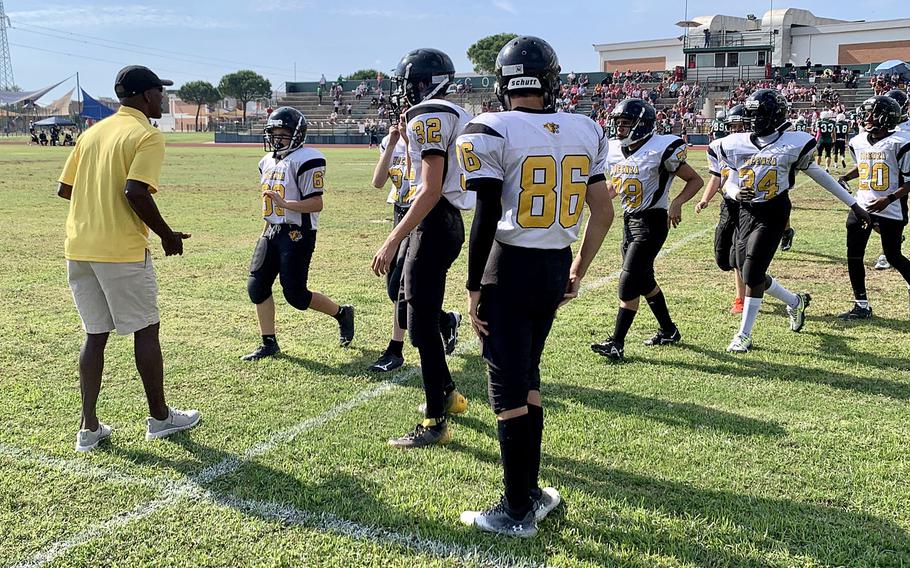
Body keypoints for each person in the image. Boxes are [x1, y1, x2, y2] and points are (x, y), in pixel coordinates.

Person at [456, 36, 614, 538]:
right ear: (551, 80)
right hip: (554, 264)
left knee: (506, 386)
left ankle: (516, 509)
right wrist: (579, 270)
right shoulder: (586, 128)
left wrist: (473, 283)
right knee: (528, 376)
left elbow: (484, 217)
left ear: (504, 83)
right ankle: (533, 491)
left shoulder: (489, 128)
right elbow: (603, 210)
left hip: (509, 264)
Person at [57, 65, 199, 453]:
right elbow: (135, 191)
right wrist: (167, 235)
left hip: (80, 247)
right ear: (144, 95)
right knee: (146, 329)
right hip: (119, 250)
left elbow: (64, 189)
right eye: (159, 90)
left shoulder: (92, 132)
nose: (163, 97)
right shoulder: (146, 134)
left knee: (95, 335)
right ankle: (159, 418)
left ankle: (88, 427)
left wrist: (97, 204)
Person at [372, 48, 475, 448]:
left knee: (420, 328)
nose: (403, 92)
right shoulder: (454, 112)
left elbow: (430, 187)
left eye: (407, 83)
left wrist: (393, 237)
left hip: (434, 221)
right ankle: (447, 393)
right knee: (418, 315)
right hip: (446, 221)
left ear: (423, 82)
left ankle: (436, 422)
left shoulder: (430, 113)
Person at [717, 89, 871, 353]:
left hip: (774, 211)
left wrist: (853, 204)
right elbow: (729, 180)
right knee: (748, 271)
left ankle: (744, 334)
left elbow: (820, 176)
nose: (754, 119)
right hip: (746, 211)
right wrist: (734, 192)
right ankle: (794, 300)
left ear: (775, 115)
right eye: (752, 114)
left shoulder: (794, 142)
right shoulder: (735, 143)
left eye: (760, 114)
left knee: (752, 272)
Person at [590, 98, 704, 362]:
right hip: (629, 222)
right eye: (618, 123)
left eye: (626, 123)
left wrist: (676, 202)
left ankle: (616, 342)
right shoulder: (616, 151)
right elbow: (614, 187)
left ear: (642, 125)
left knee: (628, 279)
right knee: (643, 281)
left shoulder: (661, 148)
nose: (619, 128)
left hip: (653, 221)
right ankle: (669, 330)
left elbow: (695, 180)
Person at [241, 107, 355, 361]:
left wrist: (285, 205)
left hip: (297, 233)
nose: (278, 137)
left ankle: (342, 313)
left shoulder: (308, 159)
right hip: (272, 230)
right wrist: (265, 232)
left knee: (295, 295)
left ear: (298, 134)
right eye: (274, 132)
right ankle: (268, 343)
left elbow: (316, 203)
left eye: (284, 132)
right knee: (257, 286)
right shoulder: (266, 161)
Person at [368, 110, 462, 372]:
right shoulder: (391, 141)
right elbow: (377, 182)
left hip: (419, 214)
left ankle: (395, 349)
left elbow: (417, 181)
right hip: (399, 212)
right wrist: (392, 140)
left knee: (402, 287)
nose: (401, 119)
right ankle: (444, 320)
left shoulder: (423, 139)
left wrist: (410, 143)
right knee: (395, 290)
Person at [837, 96, 910, 319]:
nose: (866, 118)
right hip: (862, 206)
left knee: (893, 255)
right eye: (865, 113)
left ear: (885, 117)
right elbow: (865, 166)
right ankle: (861, 304)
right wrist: (845, 176)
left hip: (890, 208)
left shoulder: (902, 142)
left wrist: (888, 199)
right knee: (854, 256)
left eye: (871, 114)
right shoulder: (858, 141)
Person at [696, 104, 749, 314]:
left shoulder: (756, 146)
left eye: (739, 126)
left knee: (738, 255)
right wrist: (704, 199)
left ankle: (741, 298)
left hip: (748, 205)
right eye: (732, 126)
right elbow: (716, 177)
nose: (735, 130)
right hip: (728, 204)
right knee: (722, 255)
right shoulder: (719, 146)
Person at [873, 88, 910, 270]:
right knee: (876, 217)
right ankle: (891, 247)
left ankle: (889, 252)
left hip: (904, 176)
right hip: (886, 176)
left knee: (895, 214)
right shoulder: (883, 125)